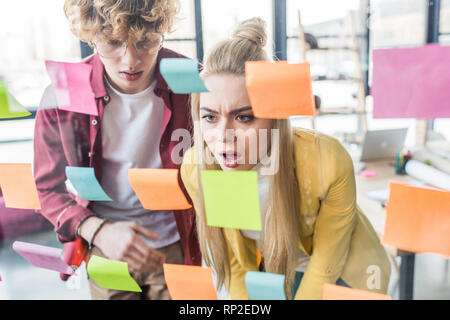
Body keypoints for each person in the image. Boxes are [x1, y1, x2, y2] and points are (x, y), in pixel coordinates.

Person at [180, 17, 391, 300]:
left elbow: (326, 265)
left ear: (273, 117)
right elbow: (237, 262)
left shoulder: (326, 161)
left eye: (243, 117)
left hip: (343, 272)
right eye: (209, 117)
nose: (223, 136)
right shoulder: (197, 170)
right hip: (274, 270)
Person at [33, 0, 200, 300]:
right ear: (91, 35)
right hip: (103, 245)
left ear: (160, 32)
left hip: (176, 244)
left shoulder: (193, 81)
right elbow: (46, 189)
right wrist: (97, 230)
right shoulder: (61, 94)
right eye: (112, 42)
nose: (130, 60)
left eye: (145, 42)